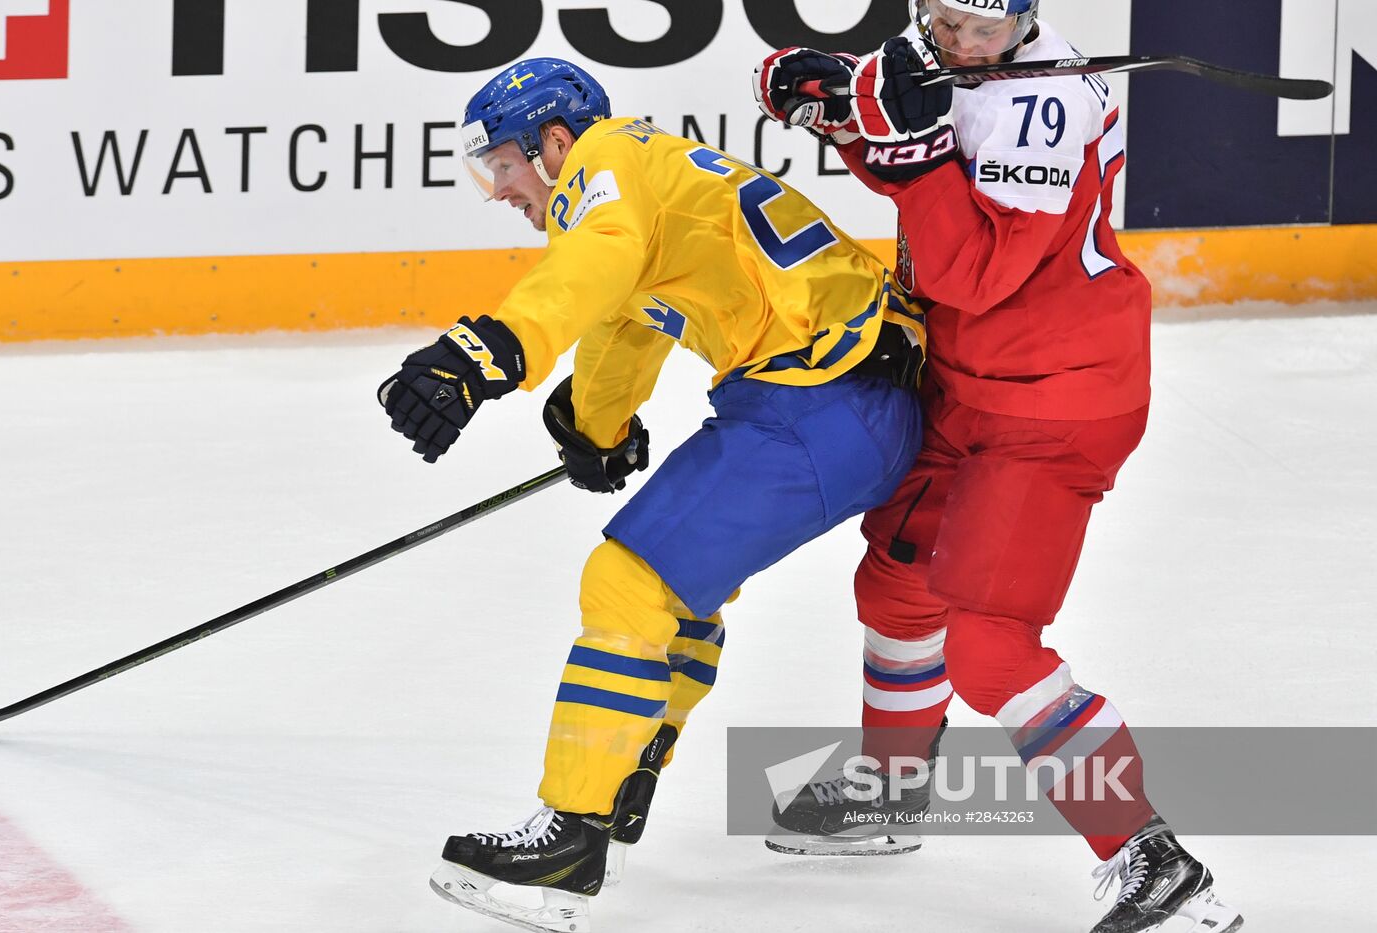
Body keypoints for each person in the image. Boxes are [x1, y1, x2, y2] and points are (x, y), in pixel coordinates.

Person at [377, 57, 927, 932]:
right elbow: (619, 320)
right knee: (678, 596)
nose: (498, 190)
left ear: (556, 143)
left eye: (505, 165)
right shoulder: (642, 176)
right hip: (845, 398)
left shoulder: (601, 167)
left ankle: (573, 834)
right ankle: (618, 794)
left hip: (824, 399)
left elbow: (593, 264)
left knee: (628, 585)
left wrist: (484, 352)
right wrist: (594, 427)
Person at [753, 2, 1244, 932]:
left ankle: (1149, 852)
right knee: (897, 581)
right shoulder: (932, 48)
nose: (959, 46)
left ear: (1022, 21)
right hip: (967, 381)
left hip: (1058, 399)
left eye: (981, 31)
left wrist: (908, 150)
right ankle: (891, 790)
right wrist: (828, 104)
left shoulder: (1042, 113)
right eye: (943, 22)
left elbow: (966, 272)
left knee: (987, 643)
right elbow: (904, 141)